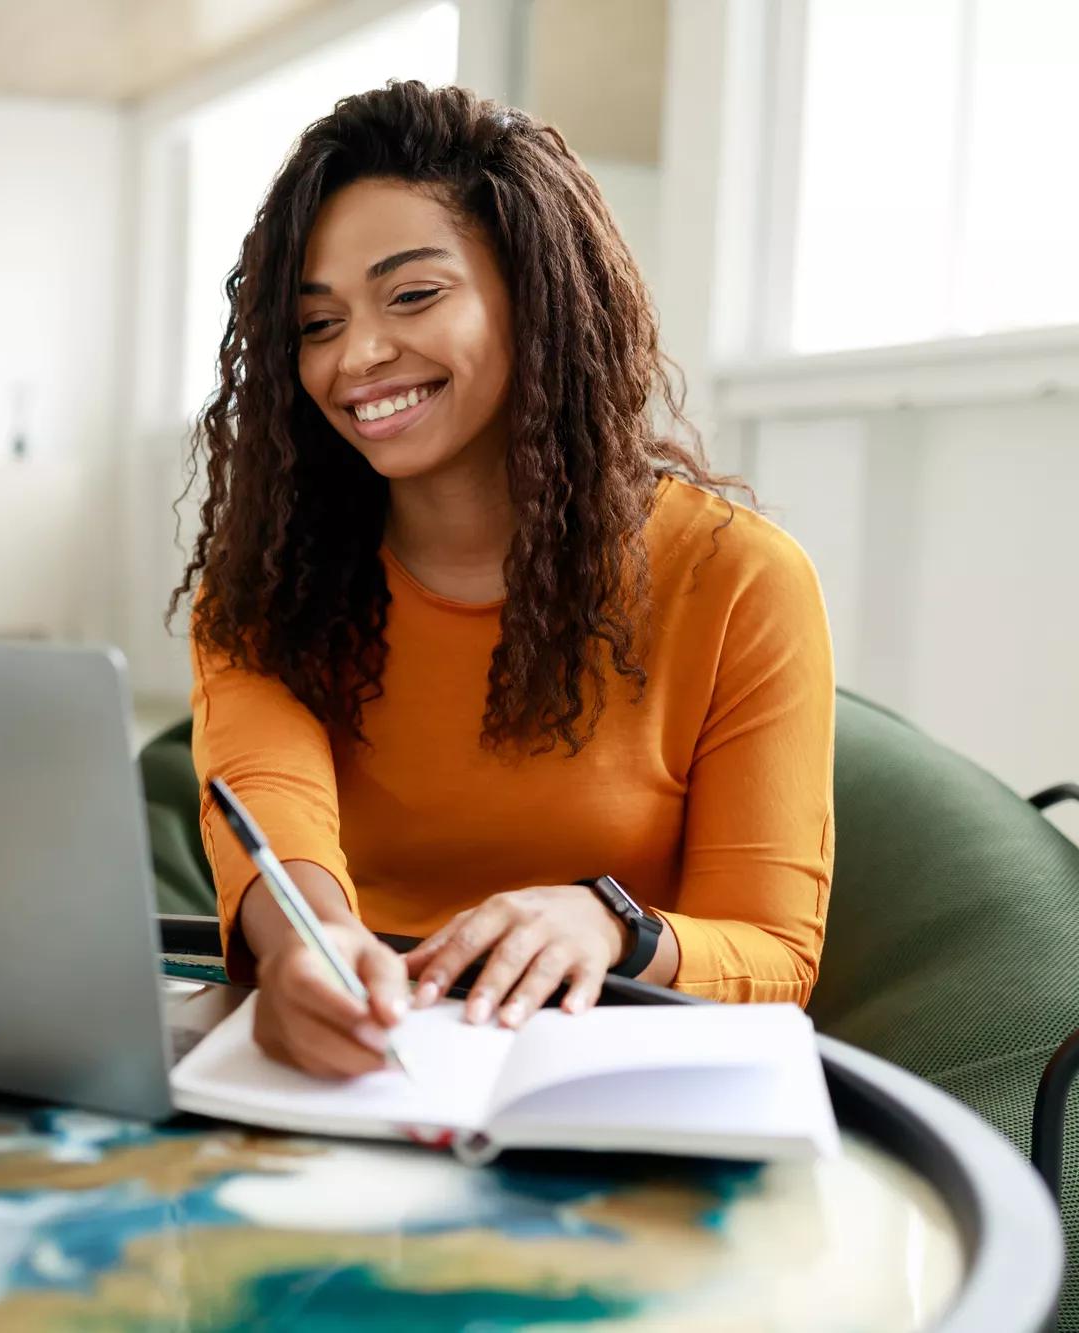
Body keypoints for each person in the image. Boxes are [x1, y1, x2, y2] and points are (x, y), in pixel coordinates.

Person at [174, 82, 834, 1080]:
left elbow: (774, 953)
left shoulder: (736, 578)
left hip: (614, 1079)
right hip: (353, 1067)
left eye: (411, 295)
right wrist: (303, 945)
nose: (356, 356)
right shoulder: (267, 576)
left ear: (535, 292)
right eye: (315, 324)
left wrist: (611, 926)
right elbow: (272, 798)